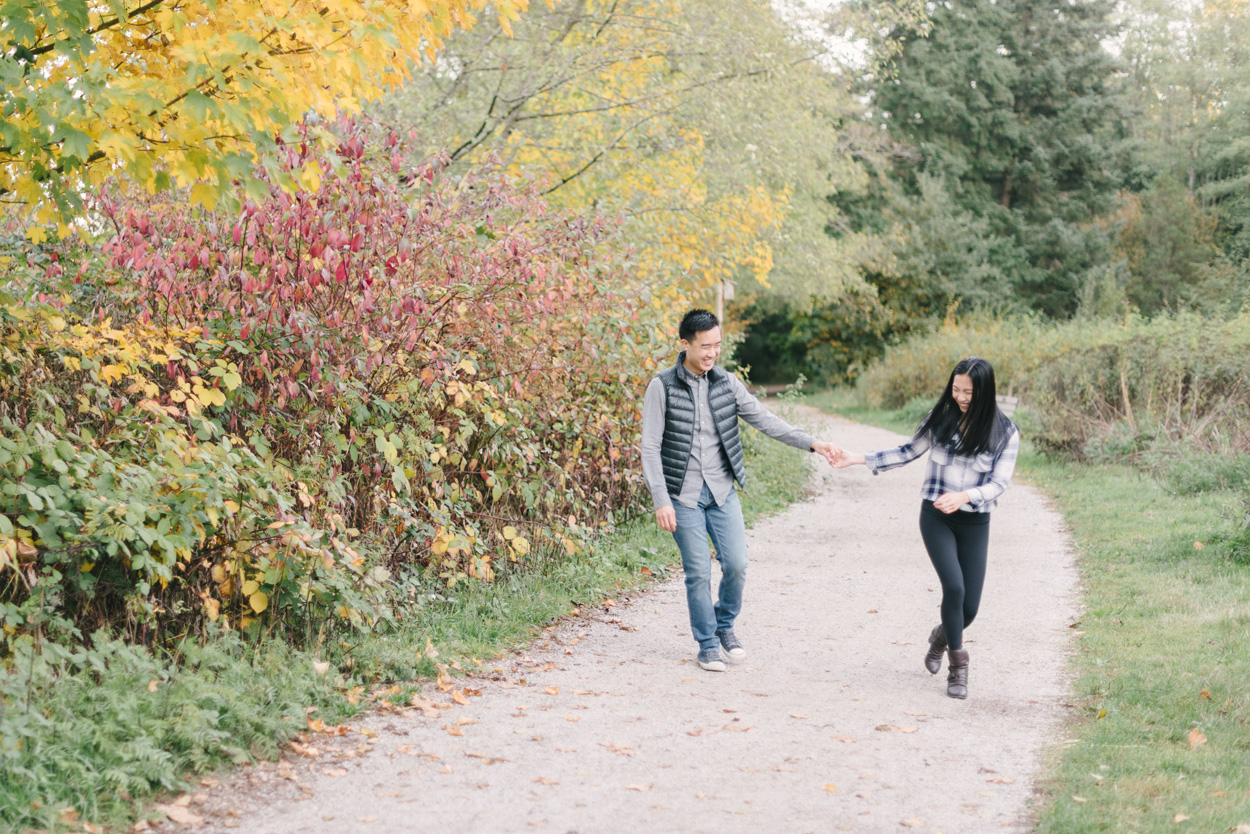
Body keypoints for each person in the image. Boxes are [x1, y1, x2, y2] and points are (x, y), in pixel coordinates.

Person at [641, 309, 841, 672]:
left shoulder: (727, 383)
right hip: (682, 496)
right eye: (705, 346)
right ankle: (706, 645)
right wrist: (661, 500)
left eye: (717, 345)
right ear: (684, 344)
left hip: (721, 491)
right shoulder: (662, 386)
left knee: (737, 565)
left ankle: (724, 626)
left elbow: (767, 421)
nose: (712, 353)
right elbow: (650, 447)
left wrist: (814, 443)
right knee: (698, 571)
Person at [831, 357, 1019, 699]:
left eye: (969, 392)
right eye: (956, 389)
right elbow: (906, 452)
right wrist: (857, 458)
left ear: (986, 392)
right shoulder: (940, 419)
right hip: (936, 518)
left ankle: (940, 637)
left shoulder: (1005, 432)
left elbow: (999, 484)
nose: (960, 397)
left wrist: (964, 495)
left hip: (975, 520)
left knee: (970, 609)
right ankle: (958, 669)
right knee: (955, 588)